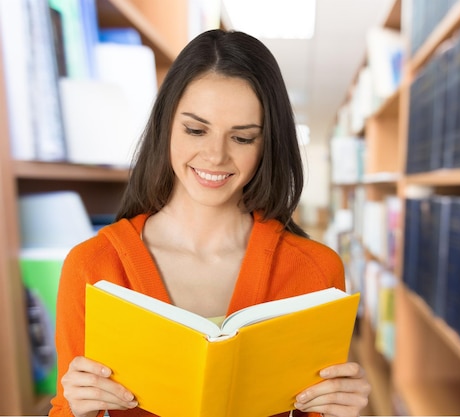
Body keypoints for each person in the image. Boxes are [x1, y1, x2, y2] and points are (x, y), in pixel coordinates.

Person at [49, 29, 371, 417]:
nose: (215, 155)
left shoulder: (317, 271)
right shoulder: (93, 266)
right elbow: (65, 408)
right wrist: (79, 411)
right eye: (196, 130)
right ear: (166, 124)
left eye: (242, 137)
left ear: (267, 144)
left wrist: (342, 411)